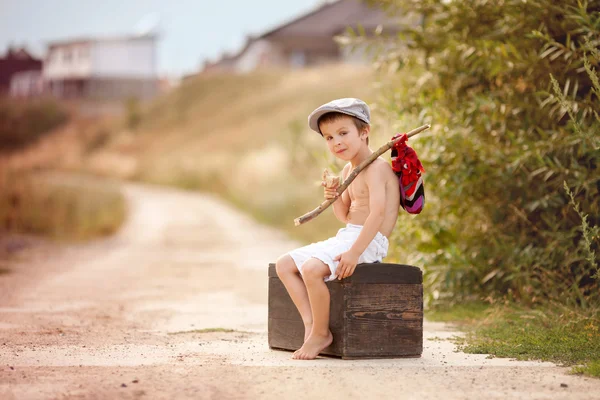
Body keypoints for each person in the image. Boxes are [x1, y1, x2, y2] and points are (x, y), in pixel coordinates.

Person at [275, 98, 400, 360]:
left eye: (343, 133)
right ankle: (311, 326)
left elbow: (377, 214)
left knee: (311, 269)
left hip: (370, 240)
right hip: (349, 235)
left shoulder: (377, 169)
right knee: (284, 265)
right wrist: (332, 197)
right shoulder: (347, 171)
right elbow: (345, 216)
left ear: (364, 132)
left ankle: (323, 333)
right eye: (329, 137)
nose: (337, 142)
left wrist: (354, 253)